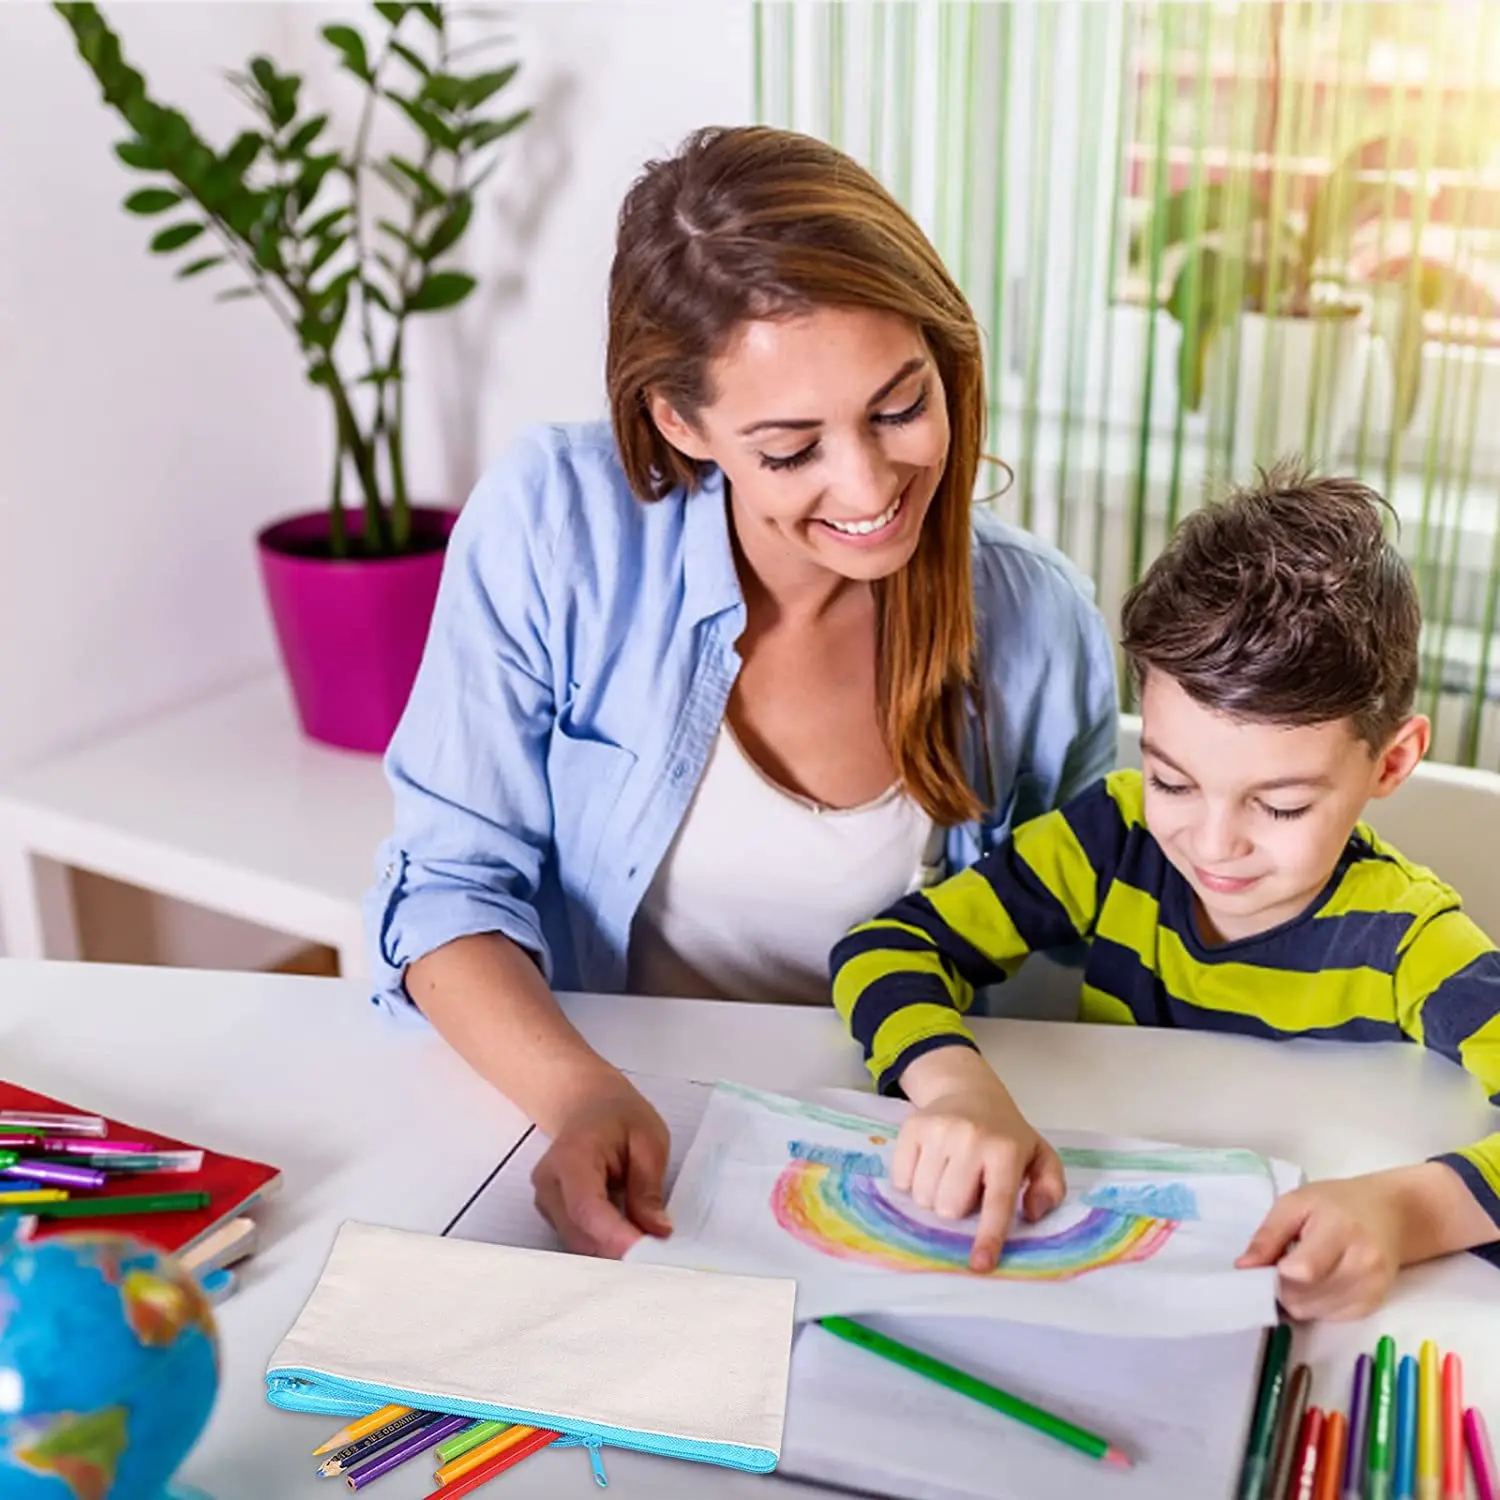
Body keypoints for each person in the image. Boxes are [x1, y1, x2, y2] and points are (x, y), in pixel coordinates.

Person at [366, 125, 1117, 1259]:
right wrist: (578, 1099)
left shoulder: (1033, 620)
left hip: (909, 1176)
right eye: (790, 448)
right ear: (684, 423)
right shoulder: (556, 527)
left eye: (899, 407)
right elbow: (449, 890)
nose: (868, 486)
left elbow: (1093, 958)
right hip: (625, 1133)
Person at [831, 464, 1500, 1319]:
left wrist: (1405, 1214)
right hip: (1102, 1257)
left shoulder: (1408, 938)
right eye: (1172, 781)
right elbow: (884, 947)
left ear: (1392, 762)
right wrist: (957, 1089)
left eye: (1282, 803)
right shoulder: (1114, 837)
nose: (1211, 842)